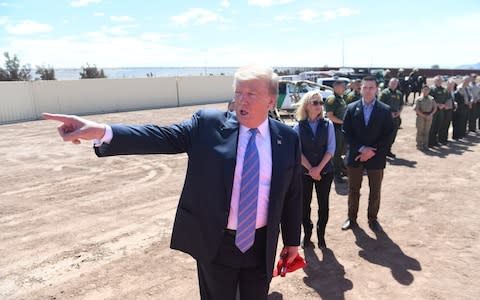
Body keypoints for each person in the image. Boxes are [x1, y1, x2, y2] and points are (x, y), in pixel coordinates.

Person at [43, 65, 302, 300]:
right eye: (238, 92)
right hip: (217, 243)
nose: (241, 100)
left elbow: (292, 194)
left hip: (261, 246)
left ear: (271, 100)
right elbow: (161, 136)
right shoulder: (208, 126)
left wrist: (292, 241)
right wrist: (101, 130)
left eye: (251, 94)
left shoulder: (287, 138)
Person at [341, 76, 394, 232]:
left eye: (371, 87)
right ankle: (351, 218)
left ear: (376, 89)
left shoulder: (384, 110)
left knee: (375, 190)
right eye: (365, 87)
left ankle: (373, 219)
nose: (368, 90)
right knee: (353, 190)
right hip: (356, 156)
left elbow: (388, 134)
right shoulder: (351, 108)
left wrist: (371, 151)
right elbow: (346, 132)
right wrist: (362, 149)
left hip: (376, 157)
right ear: (360, 89)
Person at [293, 91, 335, 249]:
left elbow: (331, 150)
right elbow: (297, 151)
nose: (319, 106)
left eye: (320, 102)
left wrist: (318, 169)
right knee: (305, 205)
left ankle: (321, 235)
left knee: (323, 204)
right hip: (305, 173)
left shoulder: (328, 124)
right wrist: (311, 169)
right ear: (307, 105)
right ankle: (308, 234)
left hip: (325, 172)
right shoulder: (299, 126)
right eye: (315, 102)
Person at [325, 80, 347, 183]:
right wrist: (342, 122)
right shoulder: (332, 99)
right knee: (336, 153)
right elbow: (330, 116)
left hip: (340, 129)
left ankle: (341, 170)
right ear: (336, 87)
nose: (344, 88)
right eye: (343, 86)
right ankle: (336, 175)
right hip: (335, 129)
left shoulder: (340, 99)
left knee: (341, 151)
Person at [378, 78, 403, 158]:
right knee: (385, 135)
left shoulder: (399, 93)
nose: (394, 85)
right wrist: (389, 113)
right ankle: (381, 152)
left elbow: (401, 105)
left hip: (396, 118)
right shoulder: (384, 93)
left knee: (393, 135)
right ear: (389, 83)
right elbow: (380, 105)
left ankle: (388, 151)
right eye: (392, 83)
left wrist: (399, 112)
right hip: (386, 118)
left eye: (395, 83)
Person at [414, 85, 437, 150]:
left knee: (427, 131)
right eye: (424, 89)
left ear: (429, 91)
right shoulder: (419, 99)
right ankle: (419, 145)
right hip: (421, 116)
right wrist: (423, 115)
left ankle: (425, 144)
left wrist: (431, 114)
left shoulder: (432, 99)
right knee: (420, 131)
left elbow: (435, 108)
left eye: (427, 89)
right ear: (422, 90)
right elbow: (416, 109)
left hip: (429, 116)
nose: (426, 91)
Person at [428, 76, 449, 147]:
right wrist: (437, 105)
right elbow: (430, 99)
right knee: (432, 126)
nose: (439, 82)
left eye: (440, 81)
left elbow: (447, 98)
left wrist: (443, 105)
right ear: (435, 81)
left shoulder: (444, 89)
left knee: (438, 125)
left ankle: (435, 141)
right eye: (438, 80)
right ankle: (430, 142)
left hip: (441, 111)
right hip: (433, 110)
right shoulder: (432, 89)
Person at [439, 79, 456, 144]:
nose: (452, 86)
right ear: (447, 84)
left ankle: (445, 139)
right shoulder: (445, 91)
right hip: (444, 111)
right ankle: (441, 140)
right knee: (443, 125)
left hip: (450, 111)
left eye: (453, 85)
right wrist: (445, 106)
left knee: (447, 125)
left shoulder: (452, 92)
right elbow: (442, 100)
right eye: (450, 85)